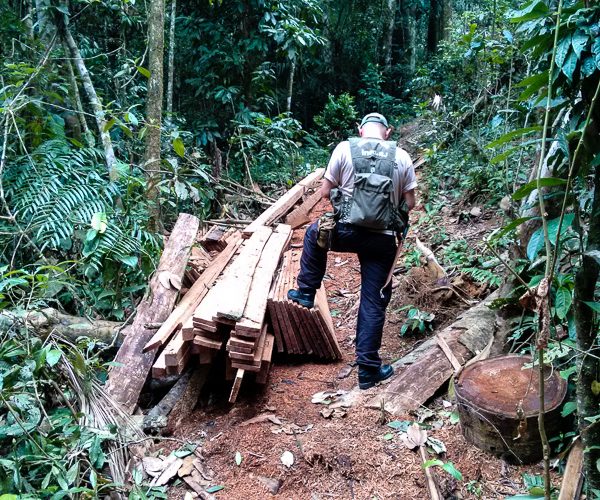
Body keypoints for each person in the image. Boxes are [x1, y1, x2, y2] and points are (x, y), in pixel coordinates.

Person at [288, 112, 417, 390]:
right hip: (382, 241)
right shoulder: (402, 157)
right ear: (388, 132)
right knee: (373, 301)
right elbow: (411, 203)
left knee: (313, 233)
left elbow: (325, 192)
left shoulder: (344, 149)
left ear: (360, 130)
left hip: (346, 232)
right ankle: (368, 370)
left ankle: (306, 292)